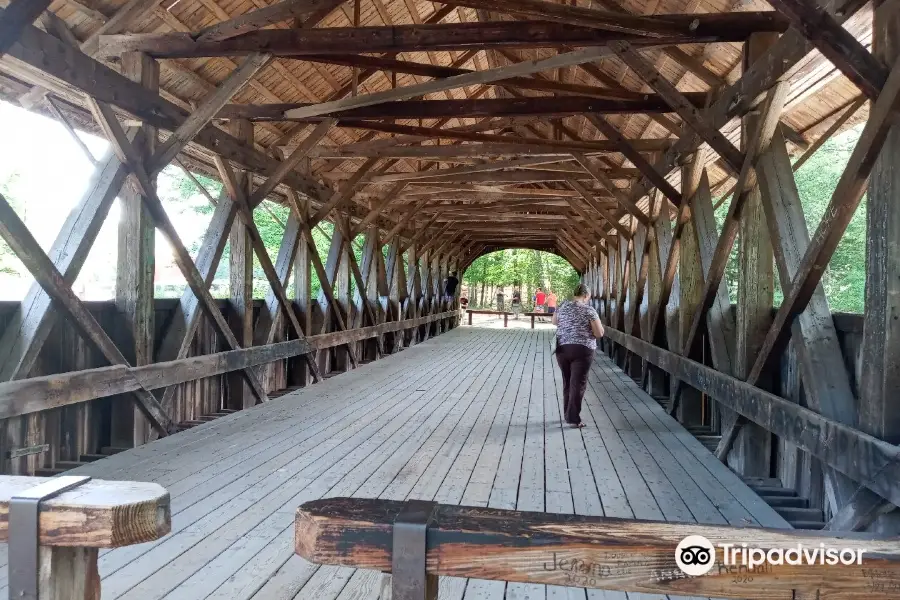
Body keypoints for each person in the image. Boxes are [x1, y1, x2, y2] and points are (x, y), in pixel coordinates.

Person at [552, 283, 605, 428]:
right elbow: (599, 333)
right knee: (578, 384)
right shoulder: (589, 310)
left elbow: (554, 322)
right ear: (587, 296)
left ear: (574, 294)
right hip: (582, 350)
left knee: (567, 381)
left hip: (562, 348)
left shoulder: (562, 305)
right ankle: (573, 418)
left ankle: (568, 414)